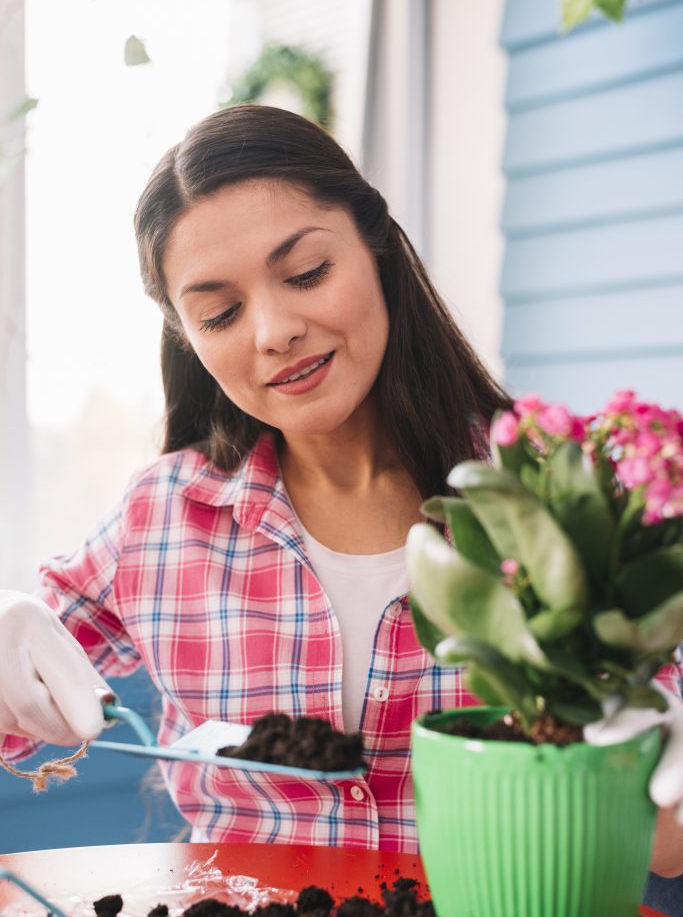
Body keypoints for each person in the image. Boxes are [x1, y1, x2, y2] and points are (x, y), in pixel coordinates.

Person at [0, 106, 681, 870]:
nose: (272, 331)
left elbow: (663, 847)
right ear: (187, 338)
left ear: (377, 247)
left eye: (306, 274)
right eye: (221, 313)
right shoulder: (162, 518)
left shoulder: (553, 497)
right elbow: (19, 688)